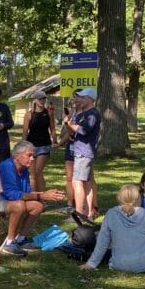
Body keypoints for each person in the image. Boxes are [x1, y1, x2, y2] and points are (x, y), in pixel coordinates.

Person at [0, 141, 65, 255]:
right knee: (19, 205)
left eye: (33, 155)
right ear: (17, 156)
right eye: (29, 155)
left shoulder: (23, 169)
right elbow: (11, 194)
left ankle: (20, 239)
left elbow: (27, 192)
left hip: (10, 201)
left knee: (38, 206)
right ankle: (8, 244)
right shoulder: (6, 167)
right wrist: (42, 195)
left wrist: (48, 195)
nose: (33, 159)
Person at [82, 184, 145, 274]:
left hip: (119, 265)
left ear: (119, 198)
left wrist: (91, 264)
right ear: (138, 198)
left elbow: (102, 242)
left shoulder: (111, 213)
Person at [64, 87, 100, 218]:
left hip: (84, 152)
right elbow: (72, 135)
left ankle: (79, 214)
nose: (80, 99)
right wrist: (68, 124)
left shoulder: (93, 114)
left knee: (77, 182)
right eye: (80, 97)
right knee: (87, 182)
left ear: (91, 99)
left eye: (83, 97)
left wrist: (70, 124)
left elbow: (84, 131)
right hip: (78, 150)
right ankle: (89, 213)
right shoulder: (81, 114)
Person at [22, 91, 58, 193]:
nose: (42, 101)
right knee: (32, 174)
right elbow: (25, 132)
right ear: (35, 100)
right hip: (31, 145)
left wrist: (55, 142)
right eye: (40, 99)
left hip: (44, 145)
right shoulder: (29, 114)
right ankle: (35, 197)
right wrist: (23, 147)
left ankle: (43, 198)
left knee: (38, 171)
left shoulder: (48, 113)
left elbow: (53, 128)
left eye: (43, 99)